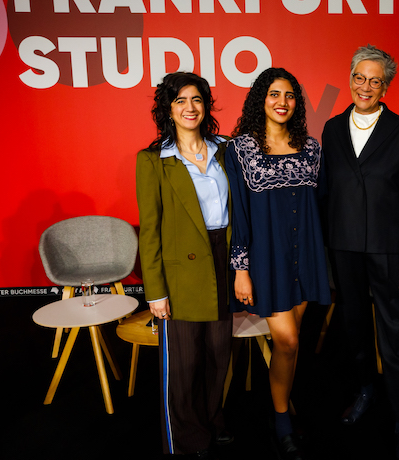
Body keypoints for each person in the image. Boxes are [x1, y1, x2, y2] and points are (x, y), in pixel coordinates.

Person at [321, 45, 399, 460]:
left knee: (396, 337)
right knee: (354, 329)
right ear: (350, 78)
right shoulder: (330, 128)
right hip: (343, 246)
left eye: (375, 80)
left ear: (386, 86)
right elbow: (326, 191)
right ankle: (366, 390)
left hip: (388, 248)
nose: (365, 86)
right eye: (359, 77)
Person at [225, 67, 331, 460]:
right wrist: (241, 268)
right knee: (286, 340)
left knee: (292, 342)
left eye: (289, 95)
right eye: (273, 94)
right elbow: (240, 213)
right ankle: (282, 420)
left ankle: (281, 404)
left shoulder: (313, 148)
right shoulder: (240, 150)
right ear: (260, 100)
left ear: (297, 104)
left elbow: (318, 206)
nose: (282, 102)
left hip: (306, 257)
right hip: (266, 261)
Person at [136, 71, 233, 457]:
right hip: (181, 272)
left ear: (206, 105)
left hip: (224, 260)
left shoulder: (227, 149)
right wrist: (155, 291)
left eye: (196, 99)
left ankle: (211, 419)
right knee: (184, 364)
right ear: (168, 109)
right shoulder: (154, 160)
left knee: (218, 354)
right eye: (180, 101)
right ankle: (187, 439)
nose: (190, 108)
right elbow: (150, 231)